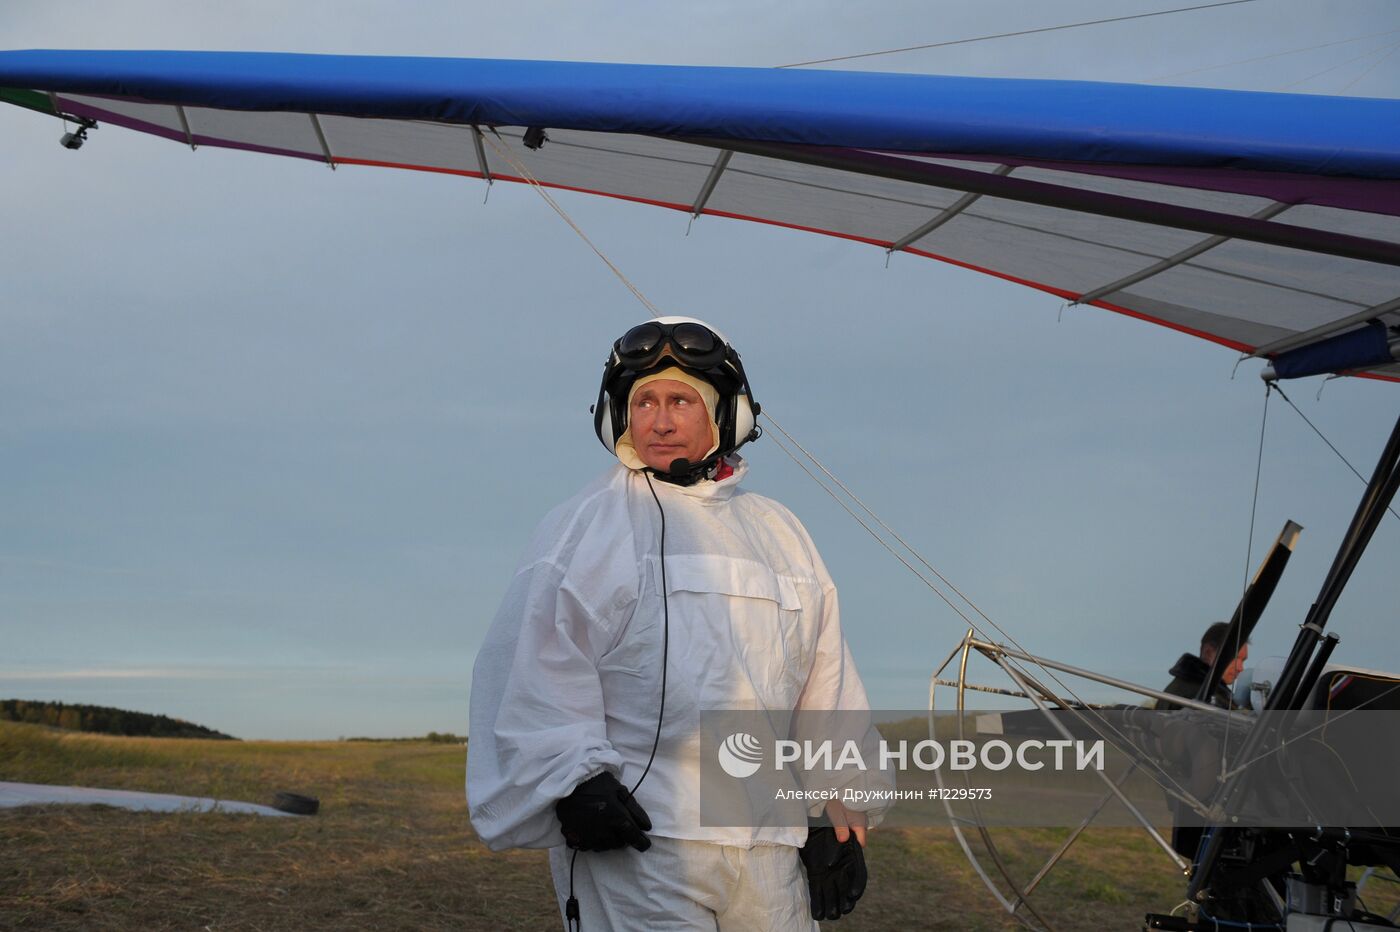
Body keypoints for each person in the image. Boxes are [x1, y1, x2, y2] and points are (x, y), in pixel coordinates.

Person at [467, 317, 880, 930]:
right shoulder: (584, 528)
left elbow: (825, 680)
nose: (660, 421)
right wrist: (575, 783)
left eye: (681, 400)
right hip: (641, 843)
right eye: (644, 402)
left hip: (767, 845)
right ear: (617, 416)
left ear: (725, 414)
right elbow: (534, 670)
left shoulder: (780, 533)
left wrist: (836, 807)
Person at [1158, 621, 1248, 711]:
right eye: (1234, 658)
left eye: (1242, 661)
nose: (1240, 668)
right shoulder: (1194, 696)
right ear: (1208, 653)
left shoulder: (1209, 691)